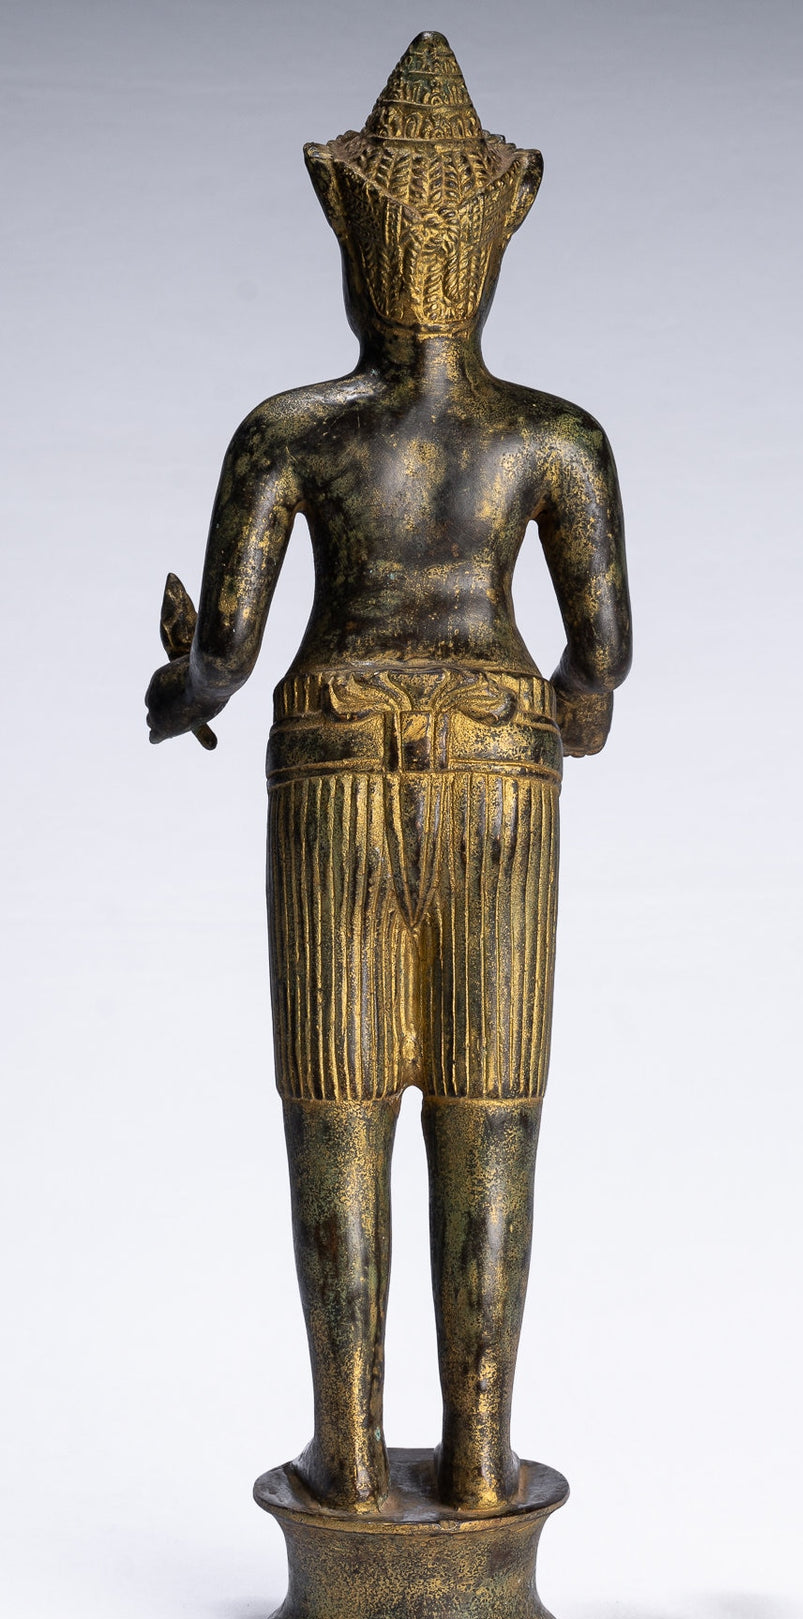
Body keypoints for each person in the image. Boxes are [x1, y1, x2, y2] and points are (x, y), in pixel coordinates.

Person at [146, 31, 631, 1514]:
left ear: (353, 245)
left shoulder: (293, 432)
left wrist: (175, 690)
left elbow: (225, 654)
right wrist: (566, 723)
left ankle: (347, 1459)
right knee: (490, 1114)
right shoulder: (550, 439)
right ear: (492, 244)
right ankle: (479, 1457)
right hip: (501, 772)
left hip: (335, 771)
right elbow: (601, 655)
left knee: (337, 1112)